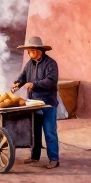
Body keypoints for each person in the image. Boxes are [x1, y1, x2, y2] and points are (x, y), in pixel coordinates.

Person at [11, 35, 59, 168]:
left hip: (48, 103)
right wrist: (17, 84)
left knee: (50, 131)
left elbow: (51, 81)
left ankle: (54, 159)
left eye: (31, 51)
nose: (29, 53)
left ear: (38, 51)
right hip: (33, 103)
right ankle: (34, 156)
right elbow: (23, 77)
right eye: (29, 51)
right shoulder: (29, 64)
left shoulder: (50, 64)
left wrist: (34, 84)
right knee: (35, 130)